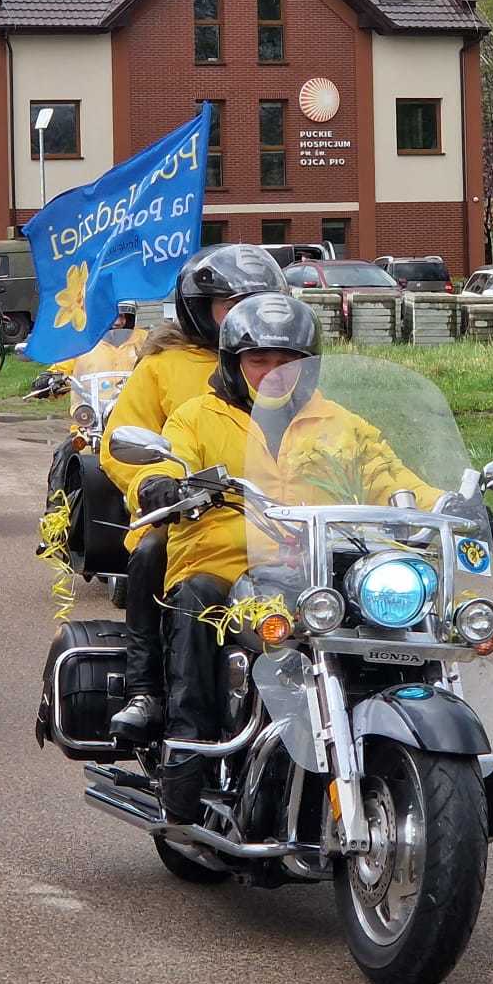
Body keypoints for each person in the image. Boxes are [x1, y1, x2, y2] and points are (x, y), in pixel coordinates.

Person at [131, 293, 436, 822]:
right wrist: (157, 484)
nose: (274, 373)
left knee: (399, 612)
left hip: (322, 566)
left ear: (310, 366)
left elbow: (394, 480)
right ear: (232, 363)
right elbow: (161, 463)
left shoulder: (342, 423)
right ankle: (188, 747)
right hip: (227, 561)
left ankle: (420, 750)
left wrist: (452, 506)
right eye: (259, 361)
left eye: (287, 361)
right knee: (196, 600)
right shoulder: (196, 417)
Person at [102, 244, 290, 743]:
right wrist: (154, 485)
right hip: (188, 515)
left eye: (258, 301)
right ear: (197, 308)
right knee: (150, 553)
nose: (244, 316)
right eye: (231, 305)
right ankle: (147, 691)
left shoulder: (284, 362)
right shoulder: (165, 365)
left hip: (282, 516)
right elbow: (122, 438)